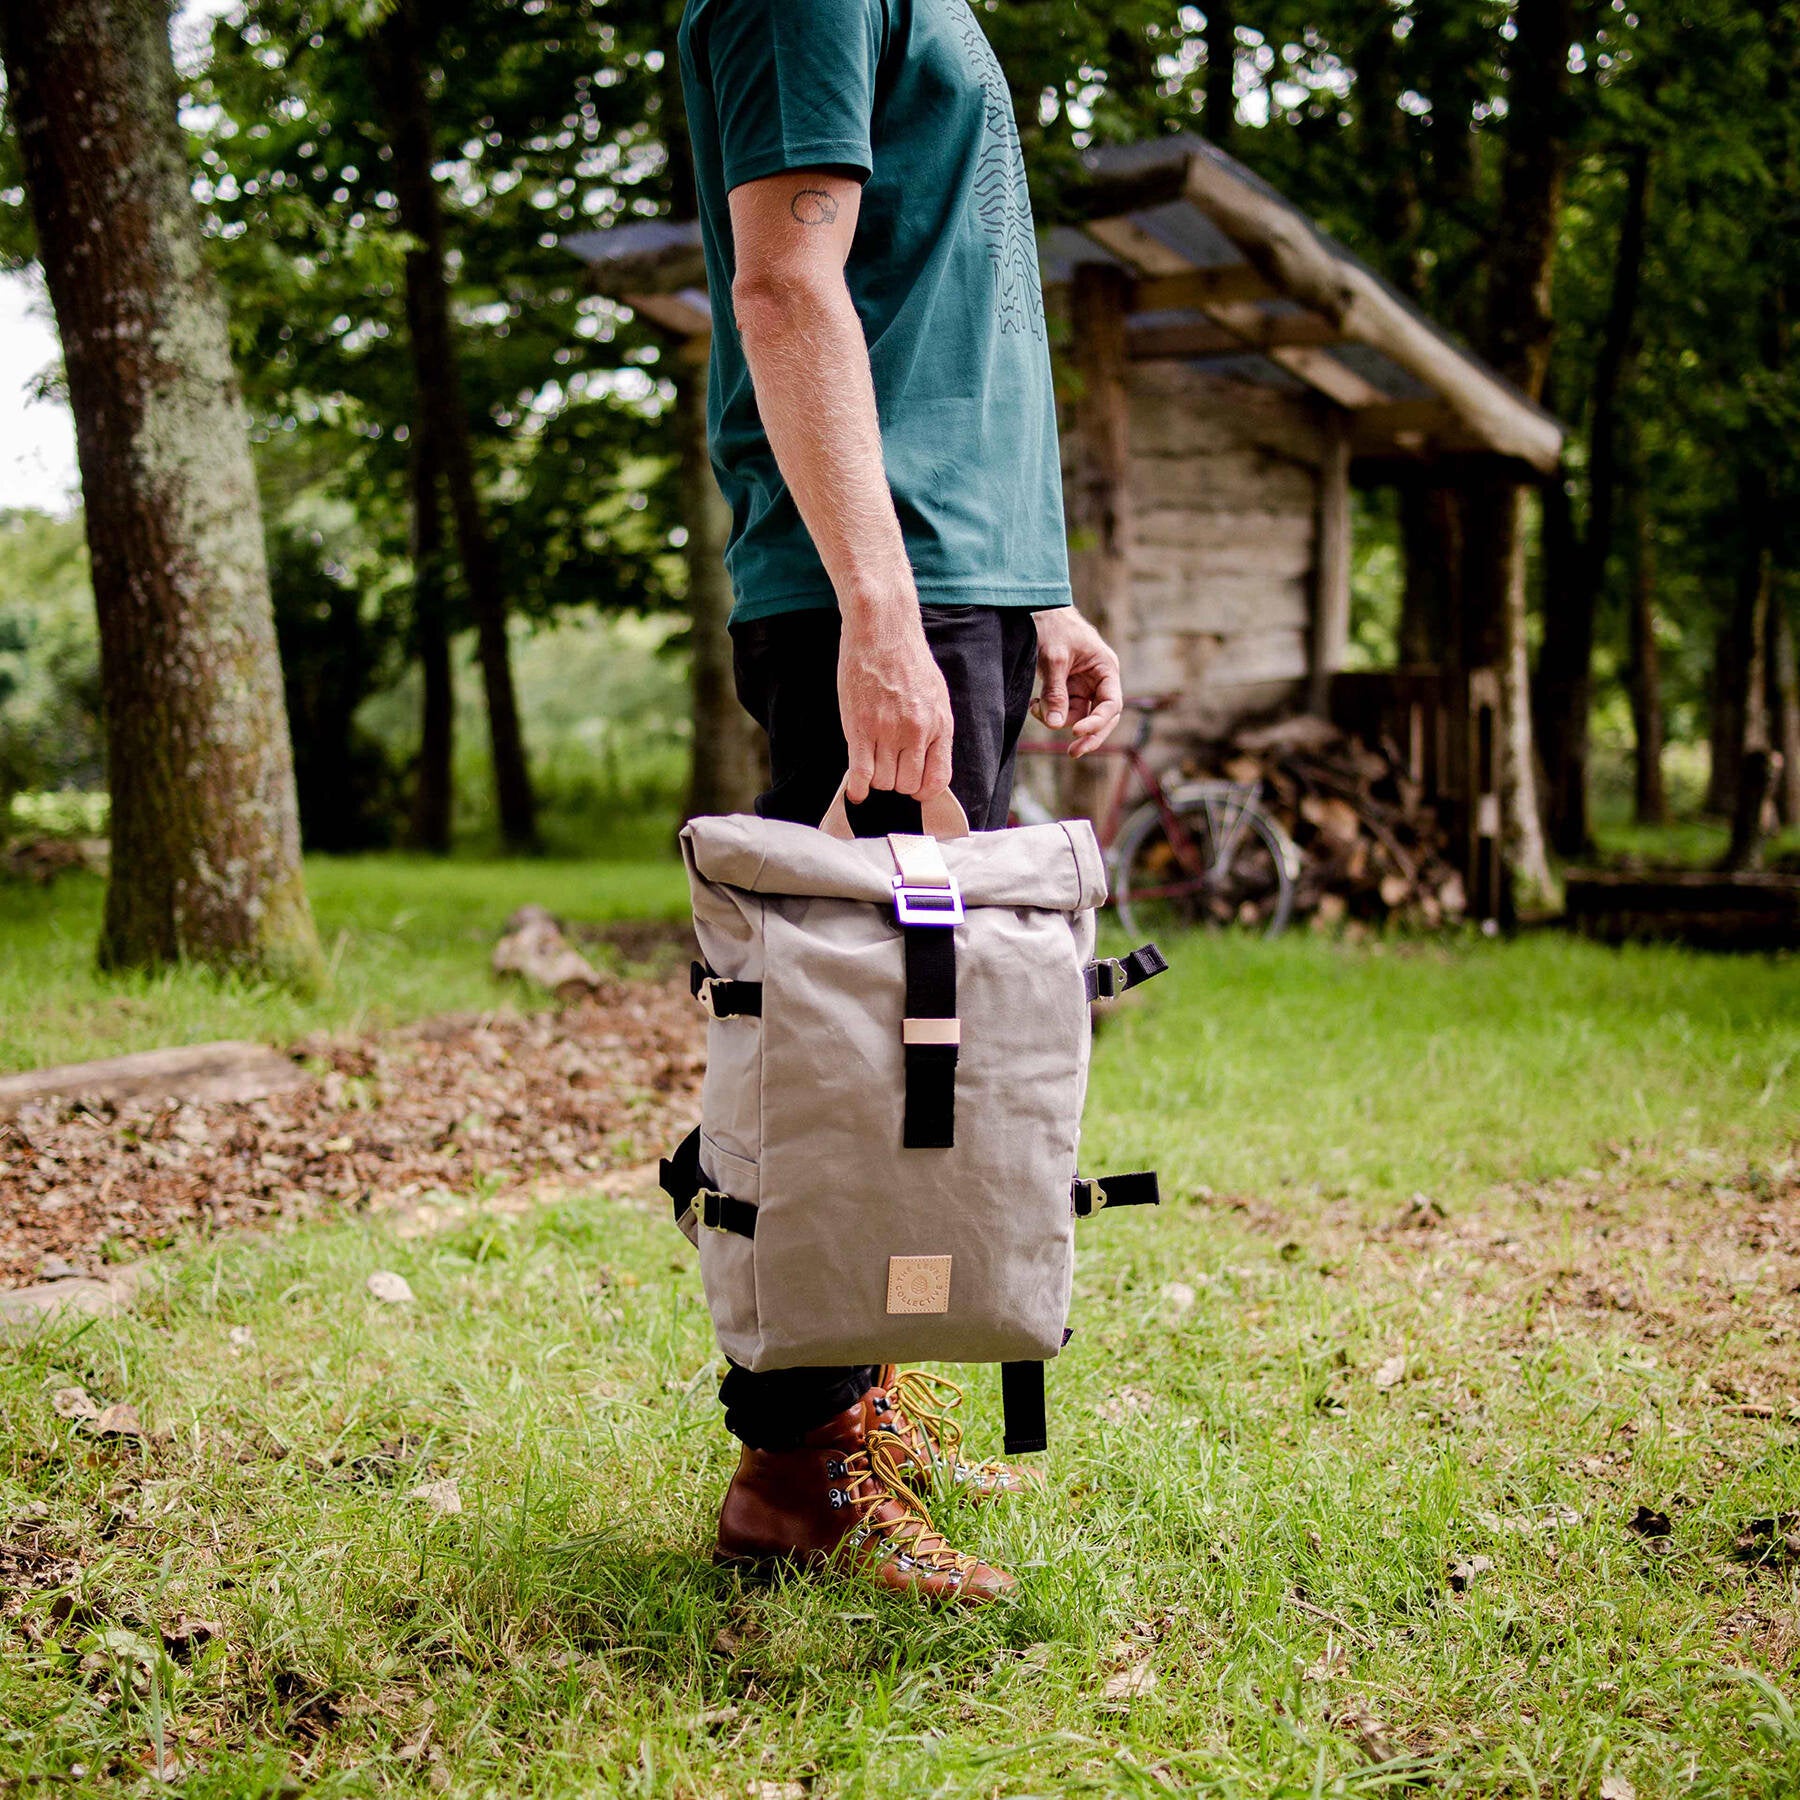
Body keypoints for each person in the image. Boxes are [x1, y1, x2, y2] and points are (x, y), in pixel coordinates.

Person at [678, 0, 1124, 1604]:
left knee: (913, 1029)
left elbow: (950, 302)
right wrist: (882, 612)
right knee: (852, 1037)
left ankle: (847, 1408)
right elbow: (787, 283)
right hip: (883, 574)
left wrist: (1035, 588)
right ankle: (793, 1475)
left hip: (954, 568)